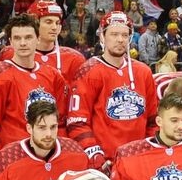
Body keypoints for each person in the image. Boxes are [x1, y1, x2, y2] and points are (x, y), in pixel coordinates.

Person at [65, 12, 158, 169]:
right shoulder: (89, 71)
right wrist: (95, 154)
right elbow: (77, 122)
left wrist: (150, 151)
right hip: (104, 163)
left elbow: (153, 120)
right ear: (102, 36)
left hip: (138, 161)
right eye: (114, 34)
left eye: (124, 34)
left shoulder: (143, 72)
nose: (120, 39)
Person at [0, 13, 67, 165]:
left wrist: (59, 155)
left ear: (38, 39)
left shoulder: (53, 75)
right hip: (12, 159)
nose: (23, 43)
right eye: (17, 38)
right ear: (10, 41)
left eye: (28, 37)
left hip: (47, 158)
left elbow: (60, 123)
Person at [31, 0, 87, 97]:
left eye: (57, 23)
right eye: (48, 22)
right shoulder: (15, 55)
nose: (54, 27)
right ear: (35, 24)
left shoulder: (74, 59)